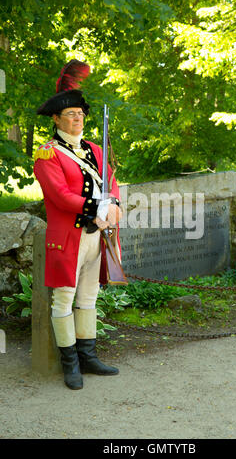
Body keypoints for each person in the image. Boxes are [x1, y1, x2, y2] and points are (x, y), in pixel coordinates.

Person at [34, 60, 122, 390]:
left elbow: (111, 182)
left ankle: (89, 357)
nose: (78, 119)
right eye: (71, 114)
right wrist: (94, 204)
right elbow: (58, 195)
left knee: (88, 297)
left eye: (80, 114)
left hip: (97, 235)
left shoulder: (96, 150)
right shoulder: (47, 154)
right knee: (63, 299)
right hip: (67, 237)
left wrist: (112, 204)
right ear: (56, 119)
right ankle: (70, 363)